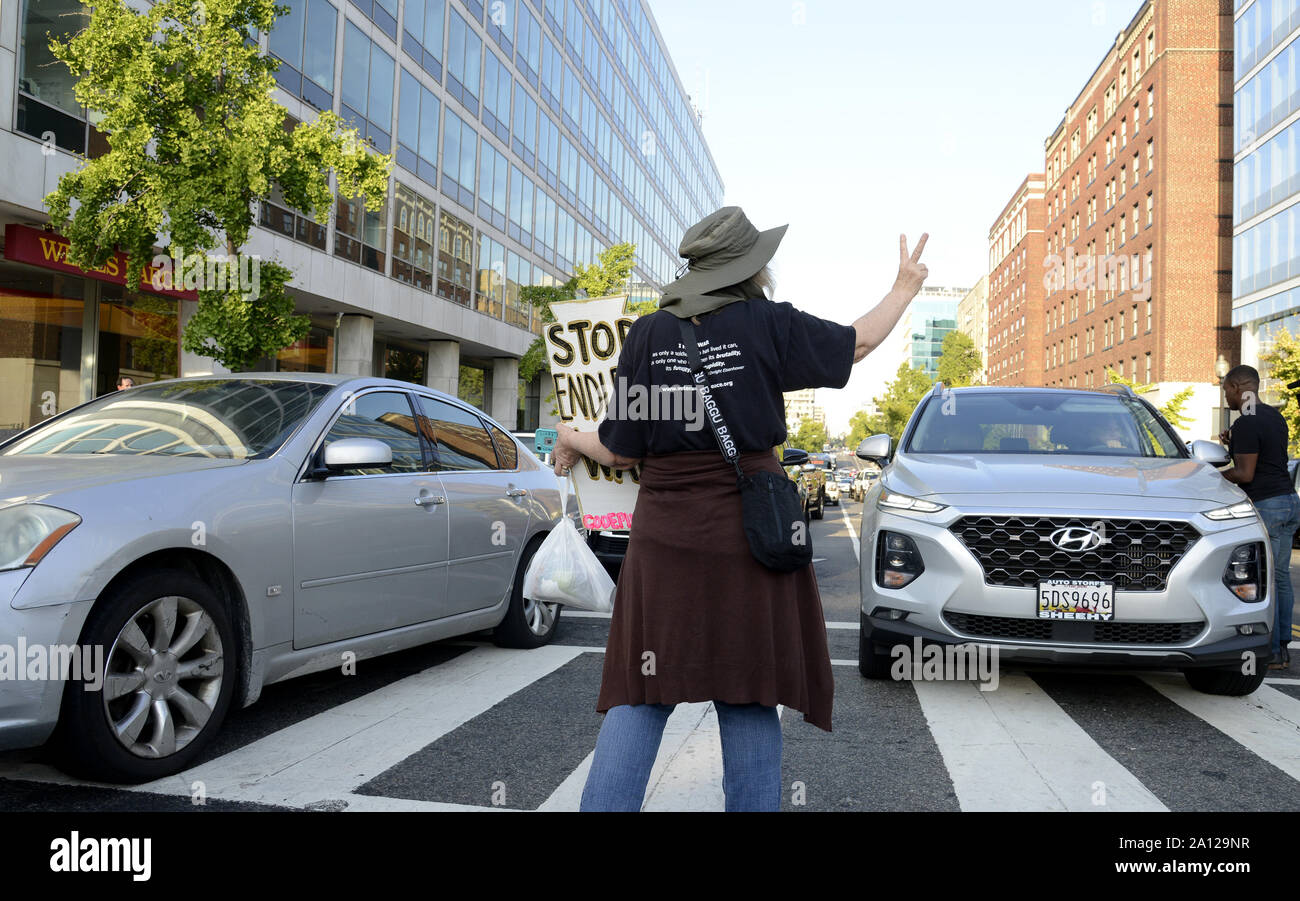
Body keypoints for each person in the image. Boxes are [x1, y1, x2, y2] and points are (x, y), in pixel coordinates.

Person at [551, 206, 929, 810]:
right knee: (749, 690)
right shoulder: (767, 323)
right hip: (750, 536)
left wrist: (571, 438)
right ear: (750, 269)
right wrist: (904, 288)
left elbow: (621, 452)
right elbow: (856, 343)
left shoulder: (649, 333)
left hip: (665, 538)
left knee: (641, 690)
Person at [1218, 365, 1299, 669]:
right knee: (1280, 578)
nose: (1226, 395)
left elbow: (1245, 473)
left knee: (1264, 580)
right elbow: (1266, 458)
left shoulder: (1246, 422)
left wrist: (1213, 478)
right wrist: (1233, 444)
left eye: (1226, 389)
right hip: (1289, 501)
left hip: (1267, 504)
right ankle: (1281, 648)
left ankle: (1272, 652)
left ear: (1238, 387)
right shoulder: (1273, 416)